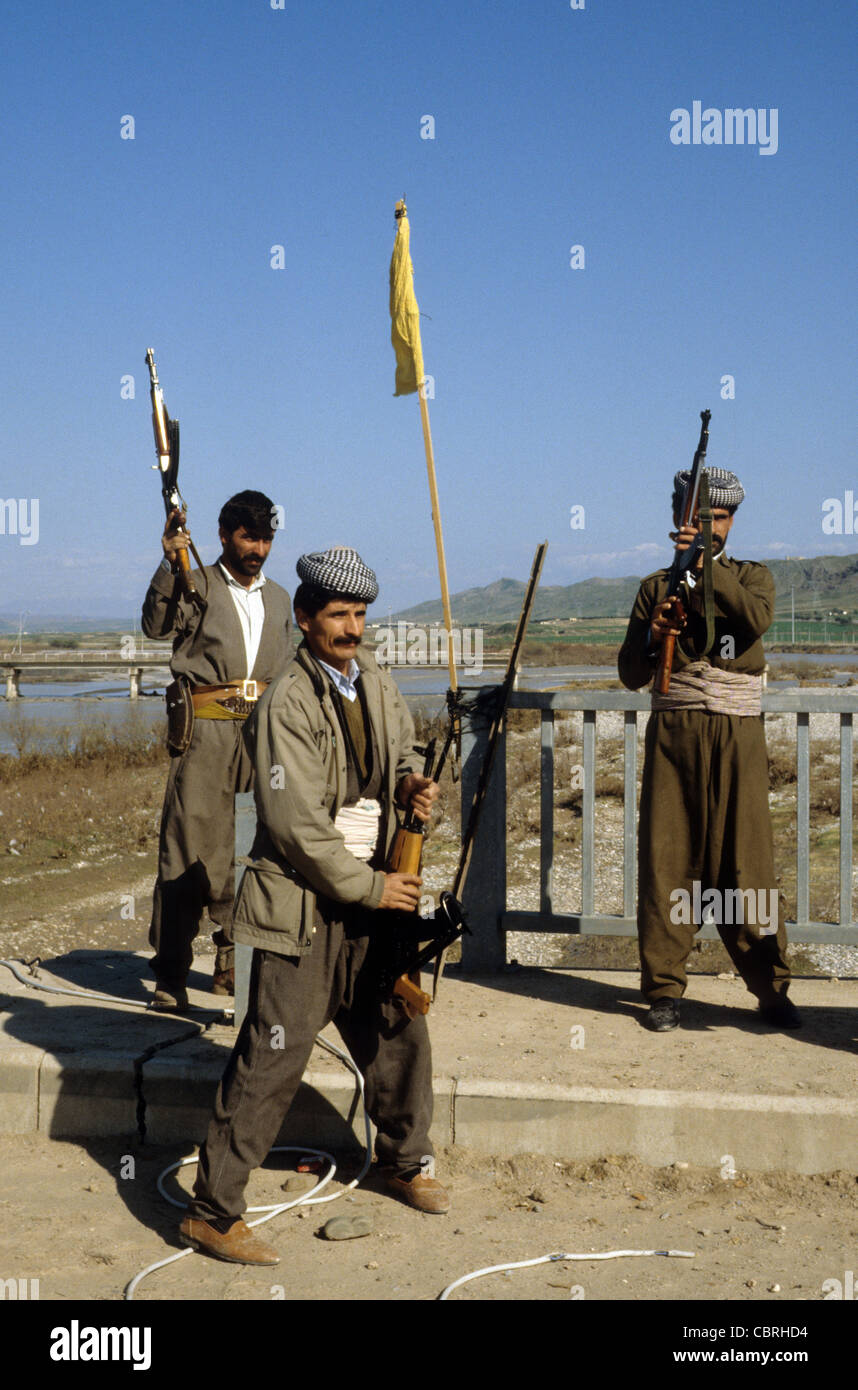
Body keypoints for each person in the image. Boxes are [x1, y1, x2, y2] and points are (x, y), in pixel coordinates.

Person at [178, 545, 448, 1266]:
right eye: (337, 615)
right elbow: (295, 823)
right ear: (304, 618)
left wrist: (412, 786)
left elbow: (396, 759)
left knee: (398, 1029)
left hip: (375, 894)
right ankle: (212, 1211)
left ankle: (403, 1160)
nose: (352, 628)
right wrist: (371, 887)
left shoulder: (376, 682)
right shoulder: (285, 702)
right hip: (306, 905)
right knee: (273, 1054)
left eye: (360, 614)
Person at [618, 467, 801, 1033]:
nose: (709, 528)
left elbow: (754, 620)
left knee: (749, 865)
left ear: (730, 521)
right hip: (675, 738)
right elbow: (630, 673)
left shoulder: (751, 577)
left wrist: (705, 566)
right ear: (677, 519)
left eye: (717, 519)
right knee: (669, 860)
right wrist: (653, 634)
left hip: (738, 736)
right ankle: (664, 990)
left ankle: (771, 989)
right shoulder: (654, 586)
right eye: (698, 519)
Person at [142, 490, 293, 1010]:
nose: (259, 548)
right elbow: (156, 626)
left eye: (267, 538)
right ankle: (171, 974)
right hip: (205, 731)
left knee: (256, 851)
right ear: (225, 535)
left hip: (262, 737)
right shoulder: (197, 582)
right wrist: (170, 560)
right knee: (190, 849)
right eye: (250, 537)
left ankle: (234, 963)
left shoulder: (279, 599)